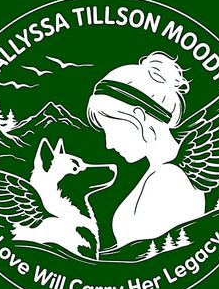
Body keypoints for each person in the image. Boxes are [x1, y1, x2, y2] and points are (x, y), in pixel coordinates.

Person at [87, 52, 205, 247]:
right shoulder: (158, 174)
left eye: (112, 128)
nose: (108, 144)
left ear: (139, 116)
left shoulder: (168, 178)